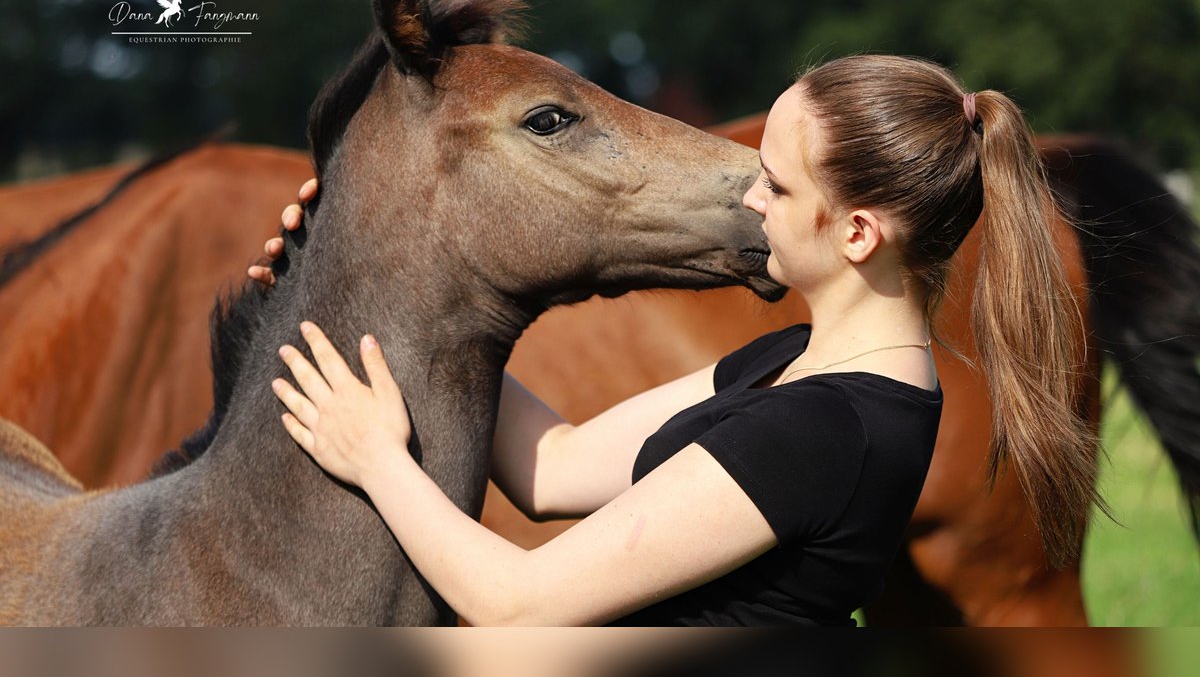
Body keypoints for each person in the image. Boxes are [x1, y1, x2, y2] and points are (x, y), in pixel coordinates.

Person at [250, 54, 1097, 626]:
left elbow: (517, 607)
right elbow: (555, 466)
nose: (750, 198)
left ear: (857, 234)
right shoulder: (792, 368)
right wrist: (386, 291)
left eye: (776, 182)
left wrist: (377, 461)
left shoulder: (824, 430)